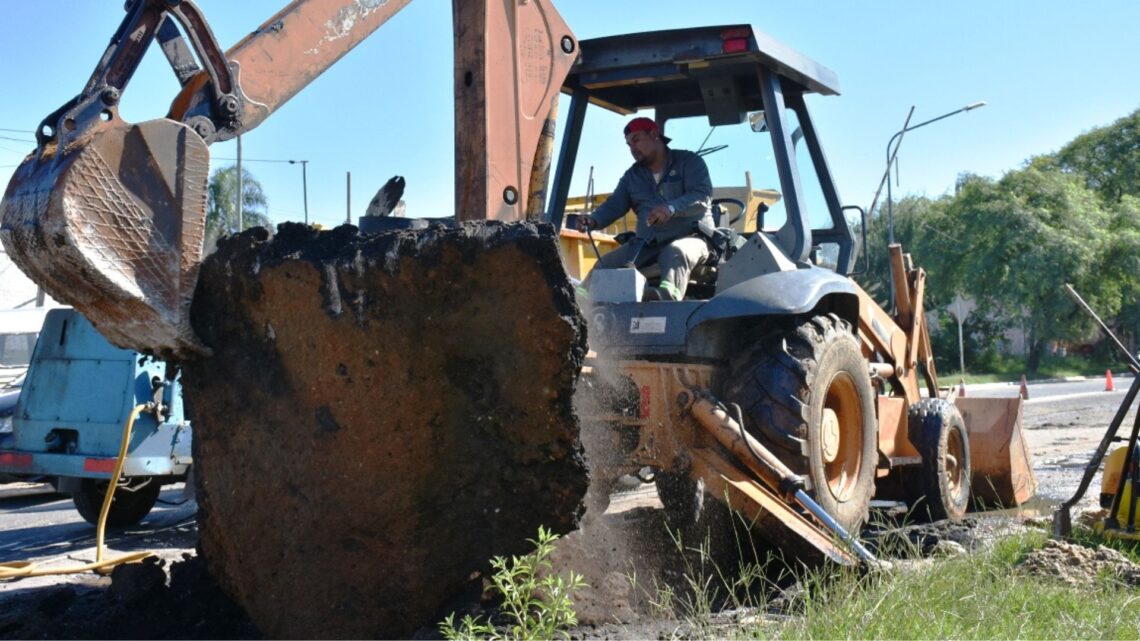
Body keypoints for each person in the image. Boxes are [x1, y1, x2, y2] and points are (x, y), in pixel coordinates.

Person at [576, 117, 713, 301]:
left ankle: (665, 299)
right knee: (605, 265)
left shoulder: (689, 162)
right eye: (629, 145)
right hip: (648, 243)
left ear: (654, 134)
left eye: (636, 140)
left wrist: (671, 208)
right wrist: (593, 220)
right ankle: (576, 304)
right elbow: (615, 204)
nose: (633, 149)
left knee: (675, 252)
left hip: (692, 238)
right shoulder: (632, 176)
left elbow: (701, 196)